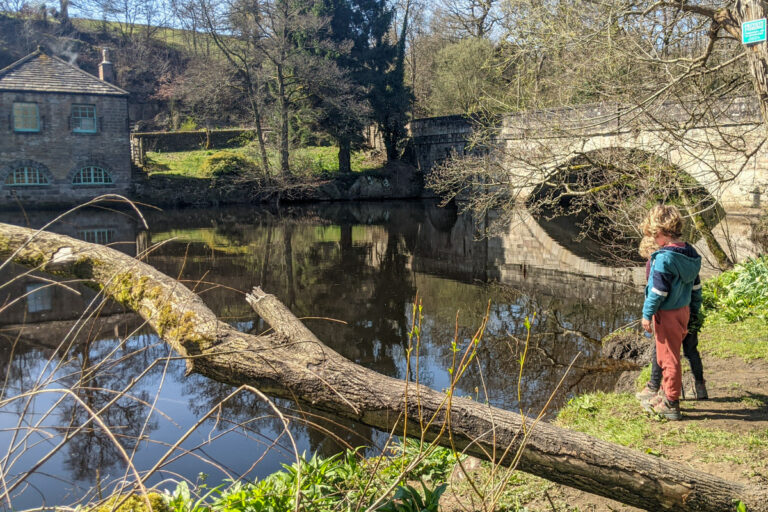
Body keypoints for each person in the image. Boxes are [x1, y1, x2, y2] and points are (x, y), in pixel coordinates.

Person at [637, 205, 703, 420]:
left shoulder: (664, 258)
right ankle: (665, 394)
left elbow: (657, 292)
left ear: (662, 233)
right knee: (670, 354)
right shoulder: (690, 253)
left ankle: (671, 403)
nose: (654, 239)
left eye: (654, 235)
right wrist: (694, 309)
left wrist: (647, 314)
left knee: (668, 358)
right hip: (683, 310)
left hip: (667, 314)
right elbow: (696, 287)